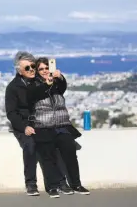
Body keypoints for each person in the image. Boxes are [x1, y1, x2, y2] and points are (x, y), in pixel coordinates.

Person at [5, 51, 72, 197]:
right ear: (19, 71)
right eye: (27, 68)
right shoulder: (13, 87)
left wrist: (59, 78)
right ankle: (31, 183)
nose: (32, 70)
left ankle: (61, 182)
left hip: (42, 122)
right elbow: (11, 112)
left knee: (52, 144)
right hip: (24, 124)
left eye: (33, 66)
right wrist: (24, 127)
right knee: (30, 145)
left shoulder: (39, 81)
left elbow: (58, 90)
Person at [26, 57, 90, 198]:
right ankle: (52, 187)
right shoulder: (32, 85)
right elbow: (33, 95)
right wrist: (46, 85)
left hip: (62, 125)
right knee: (48, 158)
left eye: (47, 68)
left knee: (71, 155)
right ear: (37, 71)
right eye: (41, 69)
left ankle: (76, 184)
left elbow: (63, 86)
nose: (44, 71)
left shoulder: (56, 84)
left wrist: (59, 77)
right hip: (43, 126)